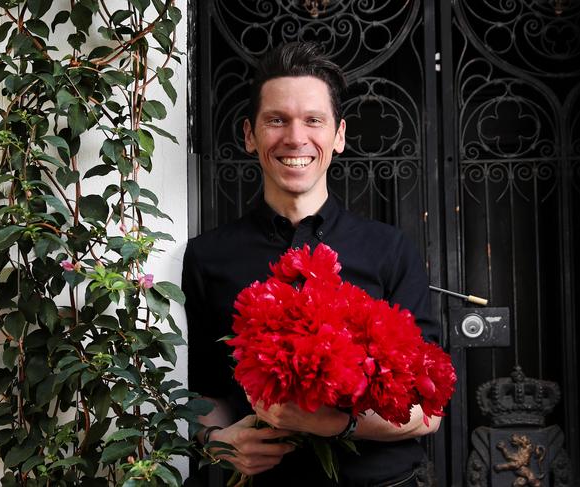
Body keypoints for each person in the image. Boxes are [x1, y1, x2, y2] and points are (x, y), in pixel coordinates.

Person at [182, 41, 440, 487]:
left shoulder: (390, 249)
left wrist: (336, 424)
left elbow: (428, 410)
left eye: (313, 120)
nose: (296, 138)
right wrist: (219, 441)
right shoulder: (208, 256)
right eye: (276, 120)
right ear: (250, 135)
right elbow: (204, 391)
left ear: (338, 136)